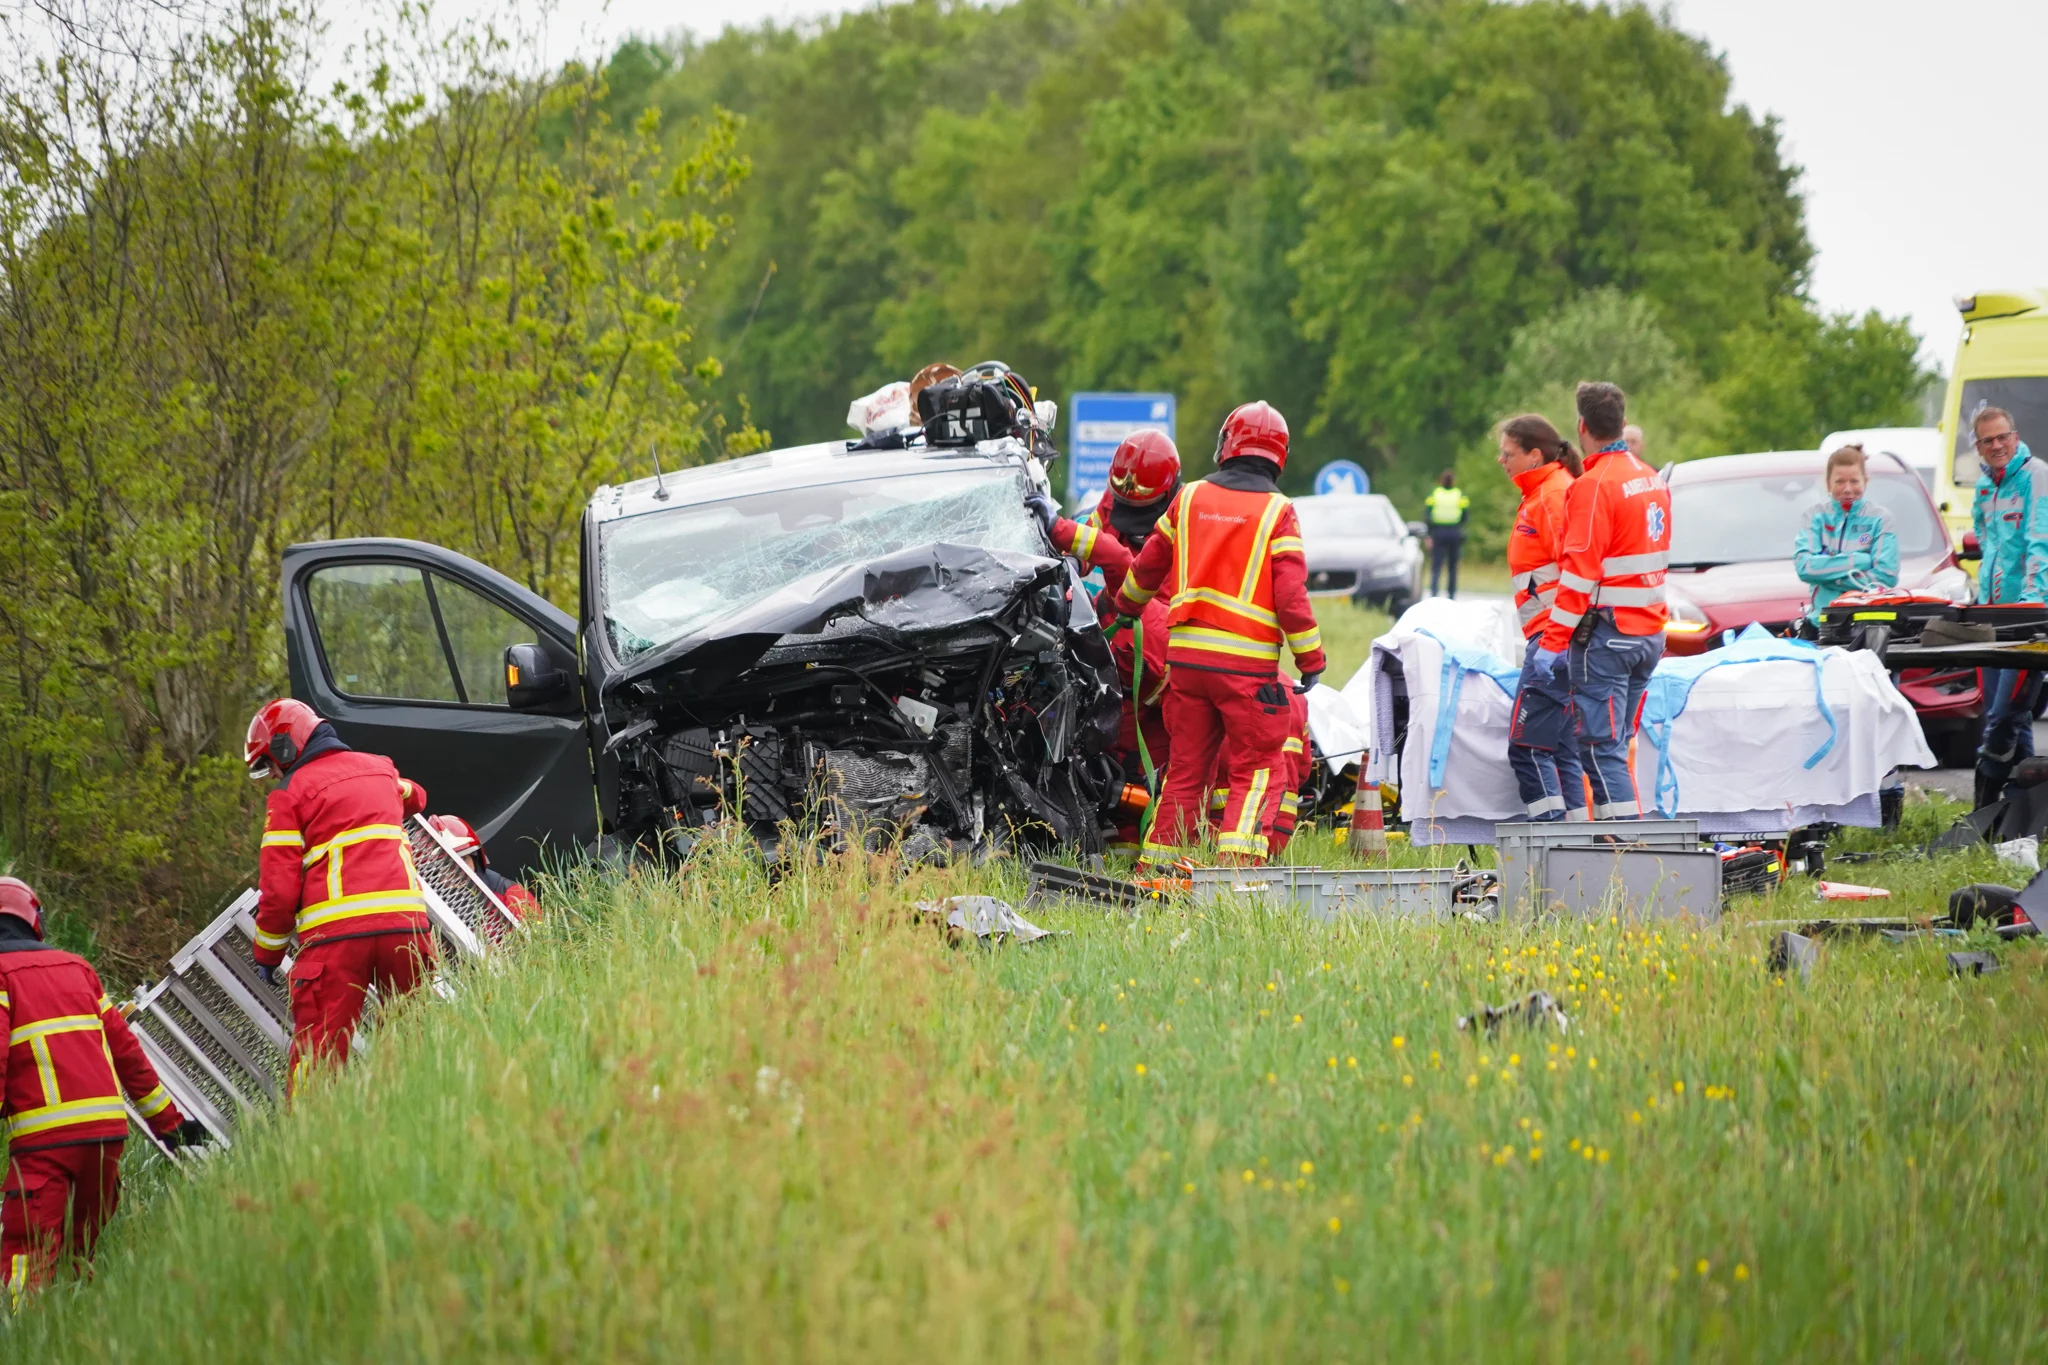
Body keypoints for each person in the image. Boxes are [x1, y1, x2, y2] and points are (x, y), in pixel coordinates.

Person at [1114, 401, 1326, 866]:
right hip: (1245, 673)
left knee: (1186, 771)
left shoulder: (1188, 497)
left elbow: (1148, 566)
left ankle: (1163, 870)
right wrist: (1311, 660)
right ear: (1279, 455)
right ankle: (1237, 874)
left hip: (1186, 667)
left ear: (1225, 446)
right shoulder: (1279, 512)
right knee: (1255, 770)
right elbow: (1291, 596)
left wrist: (1126, 606)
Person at [0, 876, 206, 1304]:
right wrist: (169, 1125)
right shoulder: (79, 969)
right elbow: (127, 1052)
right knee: (83, 1252)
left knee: (28, 1252)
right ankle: (84, 1318)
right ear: (34, 920)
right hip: (107, 1139)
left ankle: (19, 1334)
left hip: (44, 1143)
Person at [246, 698, 437, 1091]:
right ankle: (421, 1123)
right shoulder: (381, 769)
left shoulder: (288, 796)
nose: (274, 774)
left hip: (336, 941)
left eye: (273, 763)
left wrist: (268, 952)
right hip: (405, 930)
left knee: (319, 1059)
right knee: (416, 1045)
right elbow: (417, 796)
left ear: (287, 747)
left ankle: (312, 1145)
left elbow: (279, 892)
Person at [1024, 429, 1180, 847]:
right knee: (1117, 747)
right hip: (1124, 650)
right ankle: (1121, 838)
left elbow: (1116, 557)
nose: (1128, 518)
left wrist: (1062, 531)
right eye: (1123, 505)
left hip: (1162, 653)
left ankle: (1165, 837)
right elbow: (1095, 544)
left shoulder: (1187, 518)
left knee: (1162, 760)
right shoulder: (1115, 503)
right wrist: (1068, 556)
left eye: (1139, 510)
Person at [1535, 382, 1672, 820]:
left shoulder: (1593, 486)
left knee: (1599, 749)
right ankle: (1626, 849)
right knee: (1615, 746)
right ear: (1621, 422)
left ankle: (1624, 857)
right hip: (1648, 634)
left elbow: (1579, 575)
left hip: (1608, 639)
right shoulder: (1650, 477)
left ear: (1581, 426)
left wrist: (1552, 643)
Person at [1498, 414, 1587, 821]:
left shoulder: (1551, 496)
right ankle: (1578, 848)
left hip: (1554, 639)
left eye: (1508, 453)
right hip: (1558, 637)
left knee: (1527, 748)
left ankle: (1551, 844)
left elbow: (1576, 571)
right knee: (1562, 749)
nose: (1502, 460)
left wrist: (1555, 642)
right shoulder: (1541, 493)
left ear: (1534, 455)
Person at [1967, 406, 2048, 807]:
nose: (1997, 445)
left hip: (2028, 616)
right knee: (2012, 717)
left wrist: (2032, 602)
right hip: (1990, 614)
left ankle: (1983, 796)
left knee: (2005, 715)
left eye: (2003, 437)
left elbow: (2041, 543)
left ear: (2014, 436)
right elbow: (1984, 540)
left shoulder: (2037, 475)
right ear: (1978, 447)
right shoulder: (1984, 488)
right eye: (1988, 440)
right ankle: (2023, 809)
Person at [1793, 443, 1899, 622]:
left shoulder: (1881, 519)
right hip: (1821, 623)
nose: (1847, 489)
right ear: (1828, 483)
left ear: (1866, 481)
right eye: (1839, 482)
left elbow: (1886, 577)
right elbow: (1805, 567)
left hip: (1868, 623)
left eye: (1854, 481)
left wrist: (1827, 578)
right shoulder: (1813, 516)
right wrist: (1859, 561)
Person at [428, 815, 539, 920]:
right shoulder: (426, 906)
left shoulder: (512, 895)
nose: (457, 869)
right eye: (446, 864)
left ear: (475, 858)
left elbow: (538, 937)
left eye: (463, 859)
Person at [1424, 470, 1470, 598]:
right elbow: (1465, 516)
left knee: (1436, 566)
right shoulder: (1459, 495)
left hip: (1438, 533)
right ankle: (1451, 595)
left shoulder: (1435, 494)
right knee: (1453, 567)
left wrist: (1429, 534)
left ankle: (1433, 594)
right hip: (1454, 532)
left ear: (1441, 480)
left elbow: (1427, 515)